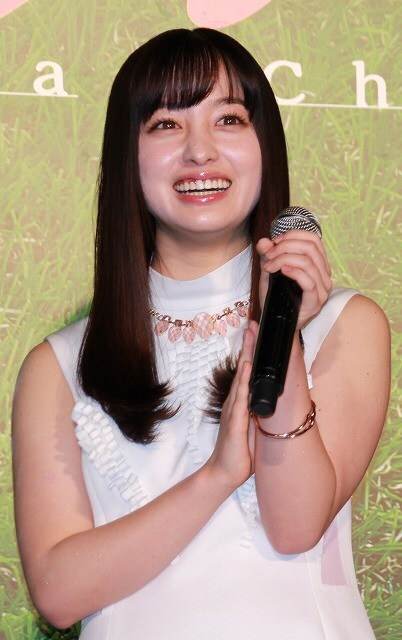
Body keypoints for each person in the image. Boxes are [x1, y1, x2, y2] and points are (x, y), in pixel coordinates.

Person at [12, 27, 391, 640]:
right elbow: (58, 594)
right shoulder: (58, 365)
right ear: (128, 155)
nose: (200, 152)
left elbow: (295, 526)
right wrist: (215, 476)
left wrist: (285, 334)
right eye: (166, 124)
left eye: (229, 119)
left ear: (264, 145)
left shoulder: (347, 324)